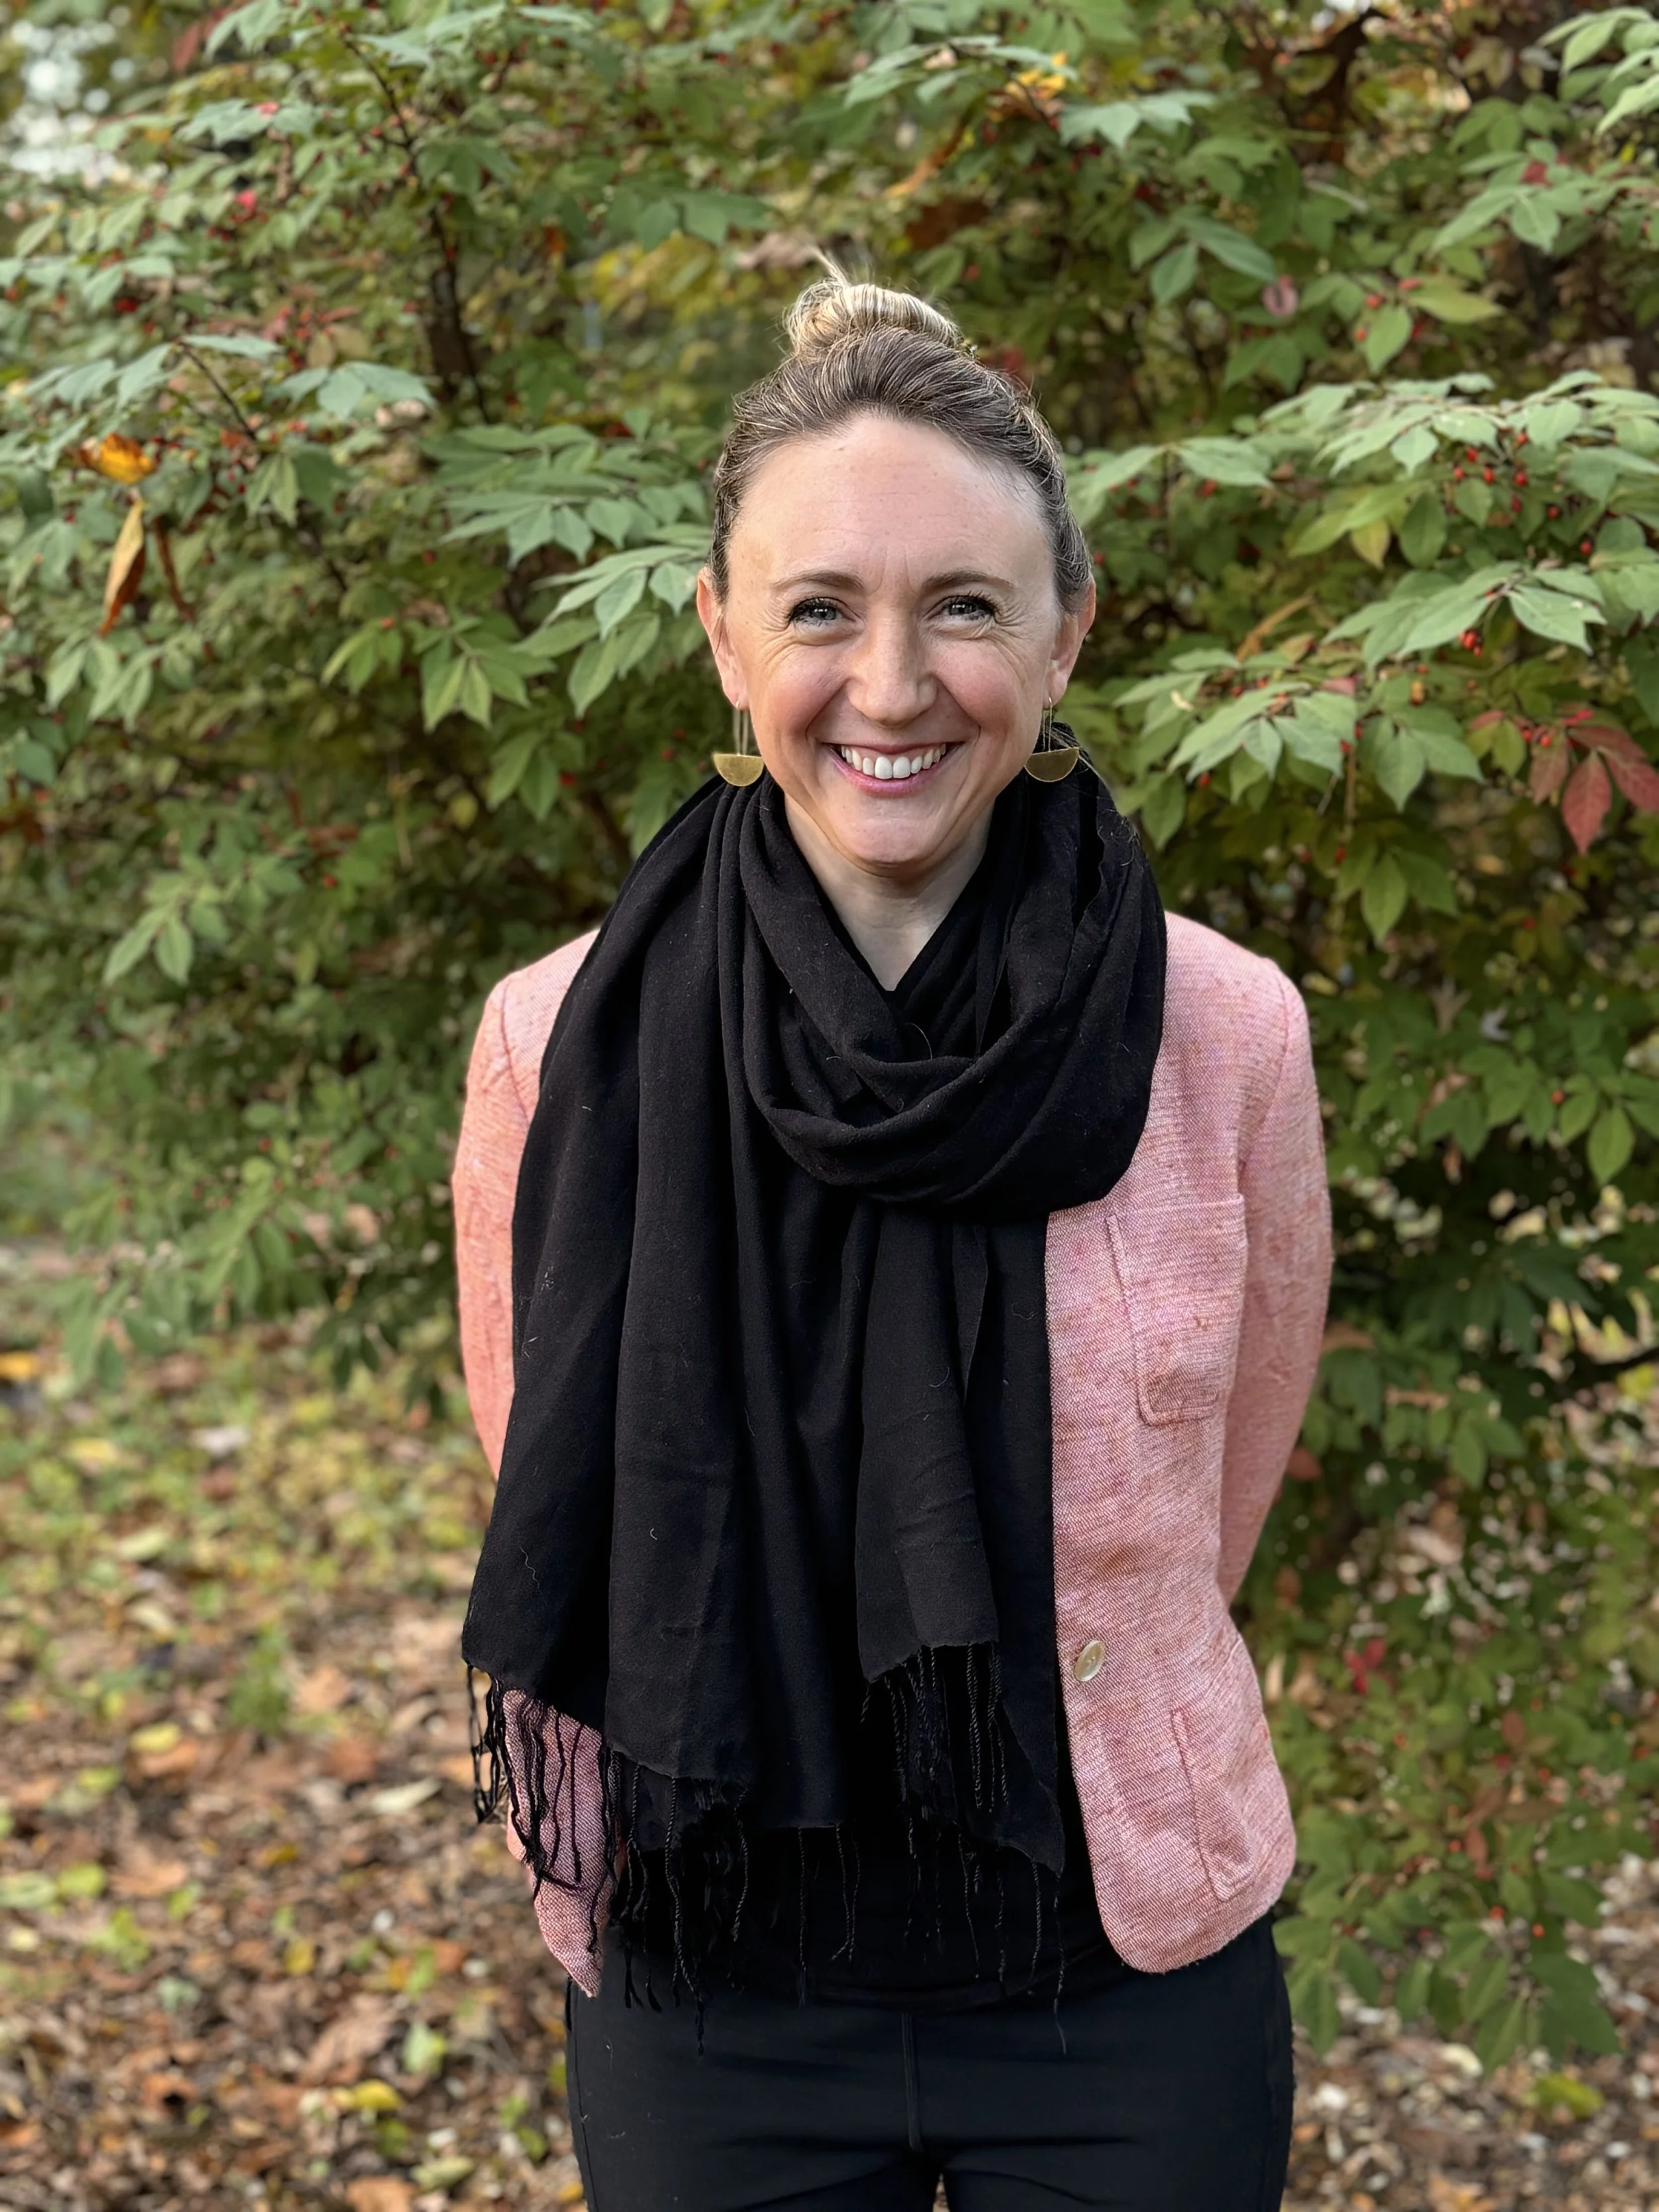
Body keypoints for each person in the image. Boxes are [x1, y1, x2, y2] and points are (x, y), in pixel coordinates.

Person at [453, 277, 1331, 2212]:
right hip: (713, 1982)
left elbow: (1223, 1491)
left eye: (962, 604)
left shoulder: (1223, 1034)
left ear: (1066, 632)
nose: (891, 680)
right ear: (715, 636)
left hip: (1123, 1983)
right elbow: (544, 1454)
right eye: (818, 607)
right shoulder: (551, 1040)